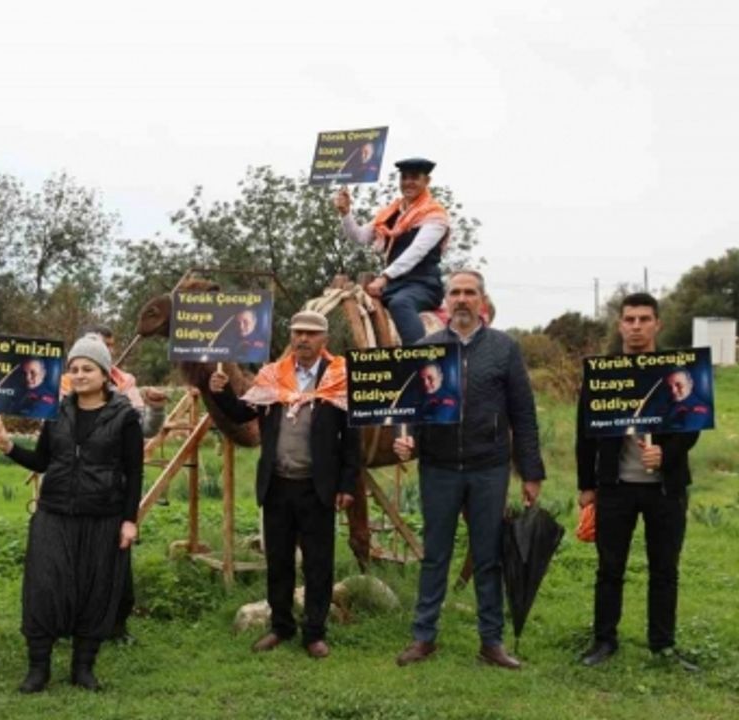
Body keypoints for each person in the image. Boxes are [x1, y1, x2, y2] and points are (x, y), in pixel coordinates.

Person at [393, 270, 545, 670]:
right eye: (455, 293)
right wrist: (407, 439)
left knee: (489, 556)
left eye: (469, 293)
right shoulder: (424, 348)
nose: (462, 299)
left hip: (489, 467)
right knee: (435, 555)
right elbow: (409, 409)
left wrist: (530, 471)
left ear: (482, 301)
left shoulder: (504, 349)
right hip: (439, 467)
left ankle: (491, 642)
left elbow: (523, 414)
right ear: (445, 302)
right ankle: (423, 637)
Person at [0, 335, 143, 693]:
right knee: (44, 588)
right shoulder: (55, 411)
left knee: (95, 590)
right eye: (73, 369)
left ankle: (83, 668)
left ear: (105, 374)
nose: (79, 374)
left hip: (102, 516)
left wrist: (129, 520)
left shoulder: (124, 417)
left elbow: (134, 472)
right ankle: (38, 669)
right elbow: (43, 461)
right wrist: (9, 446)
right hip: (54, 512)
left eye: (87, 368)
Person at [206, 310, 360, 658]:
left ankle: (315, 633)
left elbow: (352, 438)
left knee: (319, 563)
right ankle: (281, 626)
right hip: (277, 485)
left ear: (324, 340)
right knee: (278, 561)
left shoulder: (339, 377)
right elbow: (244, 413)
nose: (302, 339)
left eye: (310, 333)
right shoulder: (273, 376)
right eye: (297, 333)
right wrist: (220, 392)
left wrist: (347, 485)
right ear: (290, 337)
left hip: (317, 486)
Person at [576, 293, 701, 671]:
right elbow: (585, 434)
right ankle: (603, 641)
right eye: (629, 319)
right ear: (620, 326)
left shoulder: (679, 370)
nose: (636, 326)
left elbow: (691, 425)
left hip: (666, 488)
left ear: (657, 324)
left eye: (644, 319)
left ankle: (662, 645)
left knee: (665, 569)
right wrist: (587, 485)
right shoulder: (603, 376)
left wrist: (667, 453)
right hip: (615, 487)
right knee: (609, 568)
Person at [62, 325, 167, 644]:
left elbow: (144, 427)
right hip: (70, 486)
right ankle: (73, 623)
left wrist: (157, 408)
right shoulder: (65, 384)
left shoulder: (125, 384)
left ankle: (117, 626)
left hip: (111, 485)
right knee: (71, 557)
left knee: (114, 559)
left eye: (106, 345)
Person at [334, 157, 449, 344]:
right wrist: (346, 213)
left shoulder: (435, 215)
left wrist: (384, 277)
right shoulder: (391, 213)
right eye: (404, 178)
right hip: (392, 286)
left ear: (426, 181)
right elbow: (360, 237)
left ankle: (420, 360)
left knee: (400, 304)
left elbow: (416, 251)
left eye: (414, 177)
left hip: (422, 285)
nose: (408, 182)